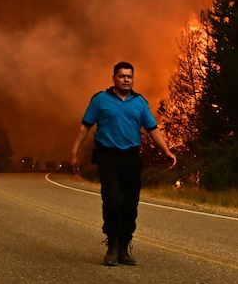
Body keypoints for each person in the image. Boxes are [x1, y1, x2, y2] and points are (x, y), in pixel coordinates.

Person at [70, 62, 176, 266]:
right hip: (107, 156)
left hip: (131, 158)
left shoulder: (139, 102)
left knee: (130, 203)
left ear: (133, 79)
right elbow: (85, 127)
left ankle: (124, 247)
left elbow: (153, 129)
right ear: (114, 78)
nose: (126, 79)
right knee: (112, 199)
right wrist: (73, 152)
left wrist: (166, 151)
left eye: (129, 76)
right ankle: (112, 245)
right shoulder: (100, 100)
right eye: (122, 76)